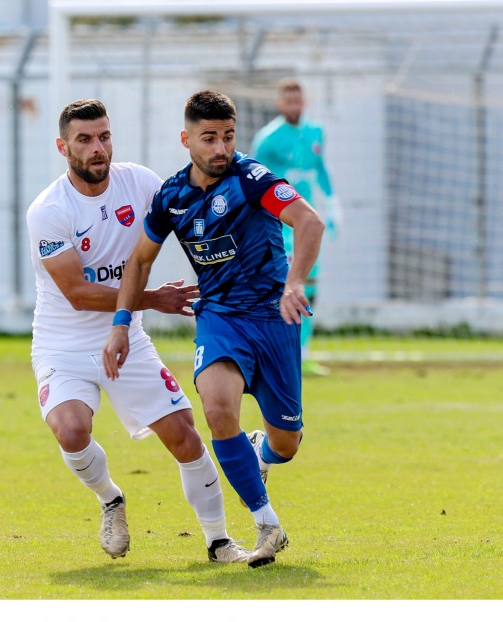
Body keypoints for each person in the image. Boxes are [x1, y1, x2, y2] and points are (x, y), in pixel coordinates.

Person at [103, 90, 325, 568]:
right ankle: (267, 525)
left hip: (274, 319)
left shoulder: (252, 179)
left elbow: (308, 222)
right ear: (187, 140)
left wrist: (295, 282)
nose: (221, 148)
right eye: (209, 138)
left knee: (287, 441)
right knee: (217, 406)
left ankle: (262, 452)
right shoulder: (172, 196)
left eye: (227, 136)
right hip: (220, 318)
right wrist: (122, 321)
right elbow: (140, 260)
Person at [26, 98, 249, 564]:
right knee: (71, 430)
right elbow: (77, 292)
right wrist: (152, 299)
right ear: (62, 146)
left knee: (185, 436)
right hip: (63, 344)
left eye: (104, 136)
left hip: (127, 339)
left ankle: (219, 540)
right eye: (84, 140)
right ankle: (110, 499)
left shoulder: (141, 183)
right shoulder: (48, 210)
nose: (97, 148)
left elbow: (190, 210)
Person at [251, 79, 340, 377]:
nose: (293, 106)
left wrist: (333, 204)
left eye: (297, 100)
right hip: (280, 223)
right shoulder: (268, 138)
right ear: (279, 104)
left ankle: (303, 352)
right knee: (286, 285)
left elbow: (320, 169)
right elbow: (254, 179)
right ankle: (278, 353)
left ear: (304, 102)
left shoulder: (315, 132)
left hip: (307, 220)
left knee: (309, 287)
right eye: (288, 101)